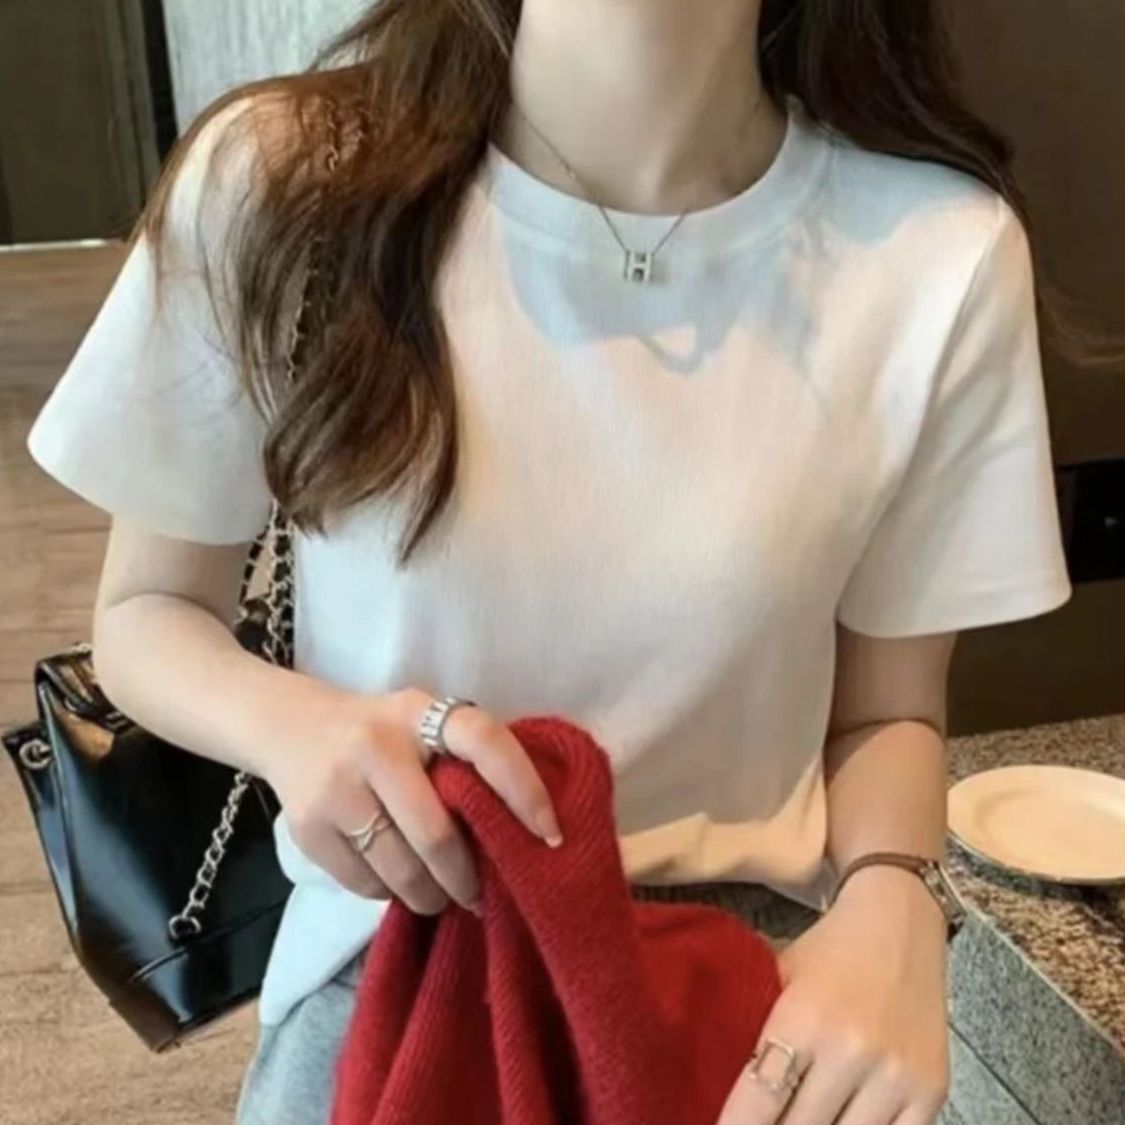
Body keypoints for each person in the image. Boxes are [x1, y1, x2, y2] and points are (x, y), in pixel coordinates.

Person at [26, 0, 1076, 1122]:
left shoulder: (937, 253)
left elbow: (886, 713)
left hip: (733, 1012)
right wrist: (301, 729)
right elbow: (147, 610)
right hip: (389, 980)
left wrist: (893, 903)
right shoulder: (289, 183)